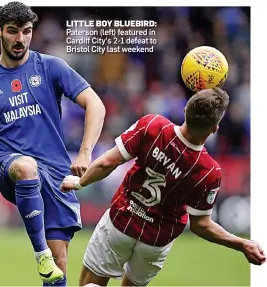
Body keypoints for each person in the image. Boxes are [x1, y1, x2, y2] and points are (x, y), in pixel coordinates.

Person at [61, 87, 266, 287]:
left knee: (90, 283)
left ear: (185, 110)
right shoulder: (209, 171)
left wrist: (79, 182)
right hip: (155, 242)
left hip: (122, 221)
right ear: (214, 129)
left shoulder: (153, 126)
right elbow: (201, 225)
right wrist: (243, 244)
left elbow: (108, 162)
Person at [0, 1, 105, 286]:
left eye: (27, 31)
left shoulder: (50, 66)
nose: (20, 39)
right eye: (13, 31)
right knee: (26, 167)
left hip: (55, 173)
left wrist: (84, 152)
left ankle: (49, 259)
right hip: (10, 165)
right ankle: (39, 252)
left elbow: (95, 104)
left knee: (59, 266)